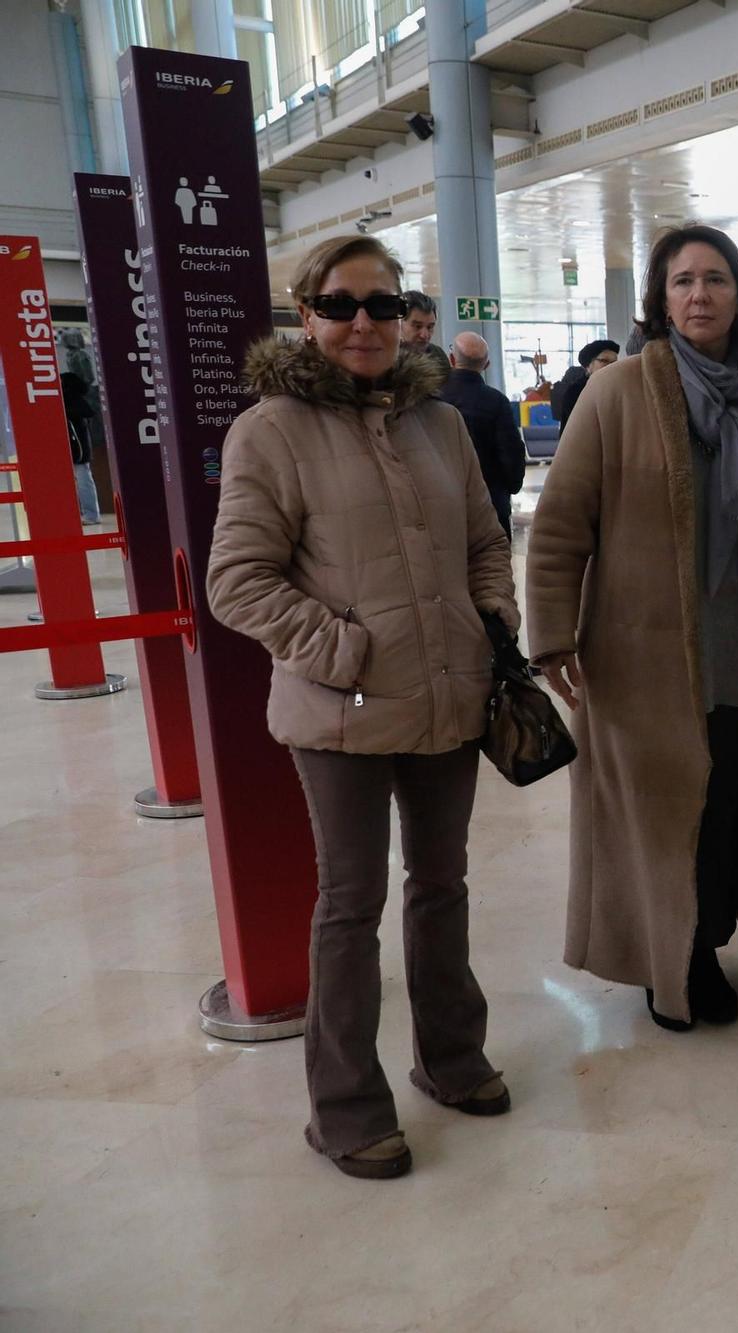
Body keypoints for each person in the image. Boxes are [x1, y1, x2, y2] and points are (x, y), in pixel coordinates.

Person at [206, 236, 518, 1180]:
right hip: (339, 714)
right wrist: (345, 650)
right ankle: (345, 1108)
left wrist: (488, 623)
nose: (364, 324)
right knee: (352, 903)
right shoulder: (271, 429)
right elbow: (237, 580)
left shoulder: (441, 425)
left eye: (383, 305)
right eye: (341, 306)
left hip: (447, 699)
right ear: (307, 315)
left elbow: (484, 542)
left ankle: (452, 1060)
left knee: (442, 885)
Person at [527, 224, 738, 1032]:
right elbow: (560, 526)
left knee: (733, 800)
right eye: (684, 281)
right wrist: (551, 633)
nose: (700, 294)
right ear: (660, 299)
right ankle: (678, 962)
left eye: (717, 280)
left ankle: (713, 935)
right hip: (641, 653)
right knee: (664, 812)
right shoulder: (619, 391)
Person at [436, 331, 528, 541]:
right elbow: (511, 451)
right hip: (491, 501)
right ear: (486, 365)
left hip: (445, 499)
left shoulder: (434, 397)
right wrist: (512, 485)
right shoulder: (497, 401)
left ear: (451, 360)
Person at [552, 339, 620, 437]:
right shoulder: (576, 392)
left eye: (614, 362)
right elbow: (569, 433)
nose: (611, 366)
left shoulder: (619, 390)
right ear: (588, 365)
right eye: (604, 361)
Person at [60, 371, 101, 524]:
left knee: (83, 479)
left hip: (78, 448)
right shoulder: (77, 400)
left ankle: (90, 515)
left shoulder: (70, 400)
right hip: (79, 447)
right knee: (83, 478)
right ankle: (87, 513)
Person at [399, 290, 450, 373]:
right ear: (399, 324)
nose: (424, 335)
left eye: (430, 327)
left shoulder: (438, 356)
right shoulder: (386, 359)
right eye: (417, 326)